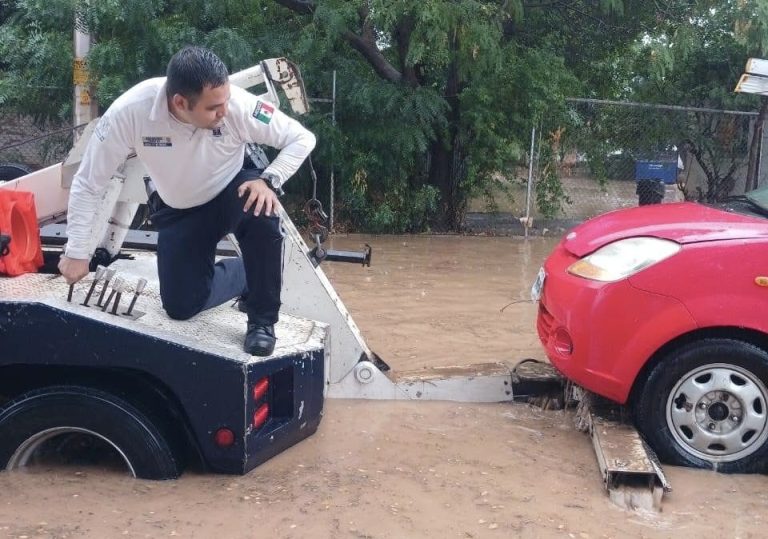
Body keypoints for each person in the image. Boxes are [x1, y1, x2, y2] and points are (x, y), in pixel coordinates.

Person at [58, 46, 316, 356]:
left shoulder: (237, 106)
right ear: (180, 102)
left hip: (232, 186)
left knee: (262, 212)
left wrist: (269, 179)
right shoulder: (131, 112)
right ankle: (249, 272)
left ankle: (261, 320)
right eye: (213, 108)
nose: (224, 111)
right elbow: (89, 182)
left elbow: (302, 138)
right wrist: (76, 251)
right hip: (179, 207)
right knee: (181, 306)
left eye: (225, 102)